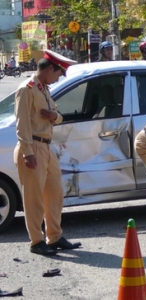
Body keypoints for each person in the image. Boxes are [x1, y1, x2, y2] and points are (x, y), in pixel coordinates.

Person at [13, 49, 82, 256]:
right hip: (32, 147)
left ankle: (54, 237)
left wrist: (54, 116)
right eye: (58, 73)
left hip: (46, 147)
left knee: (55, 194)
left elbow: (57, 115)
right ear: (50, 68)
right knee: (34, 199)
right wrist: (27, 152)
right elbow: (21, 124)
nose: (59, 77)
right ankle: (36, 241)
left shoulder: (44, 88)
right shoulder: (27, 89)